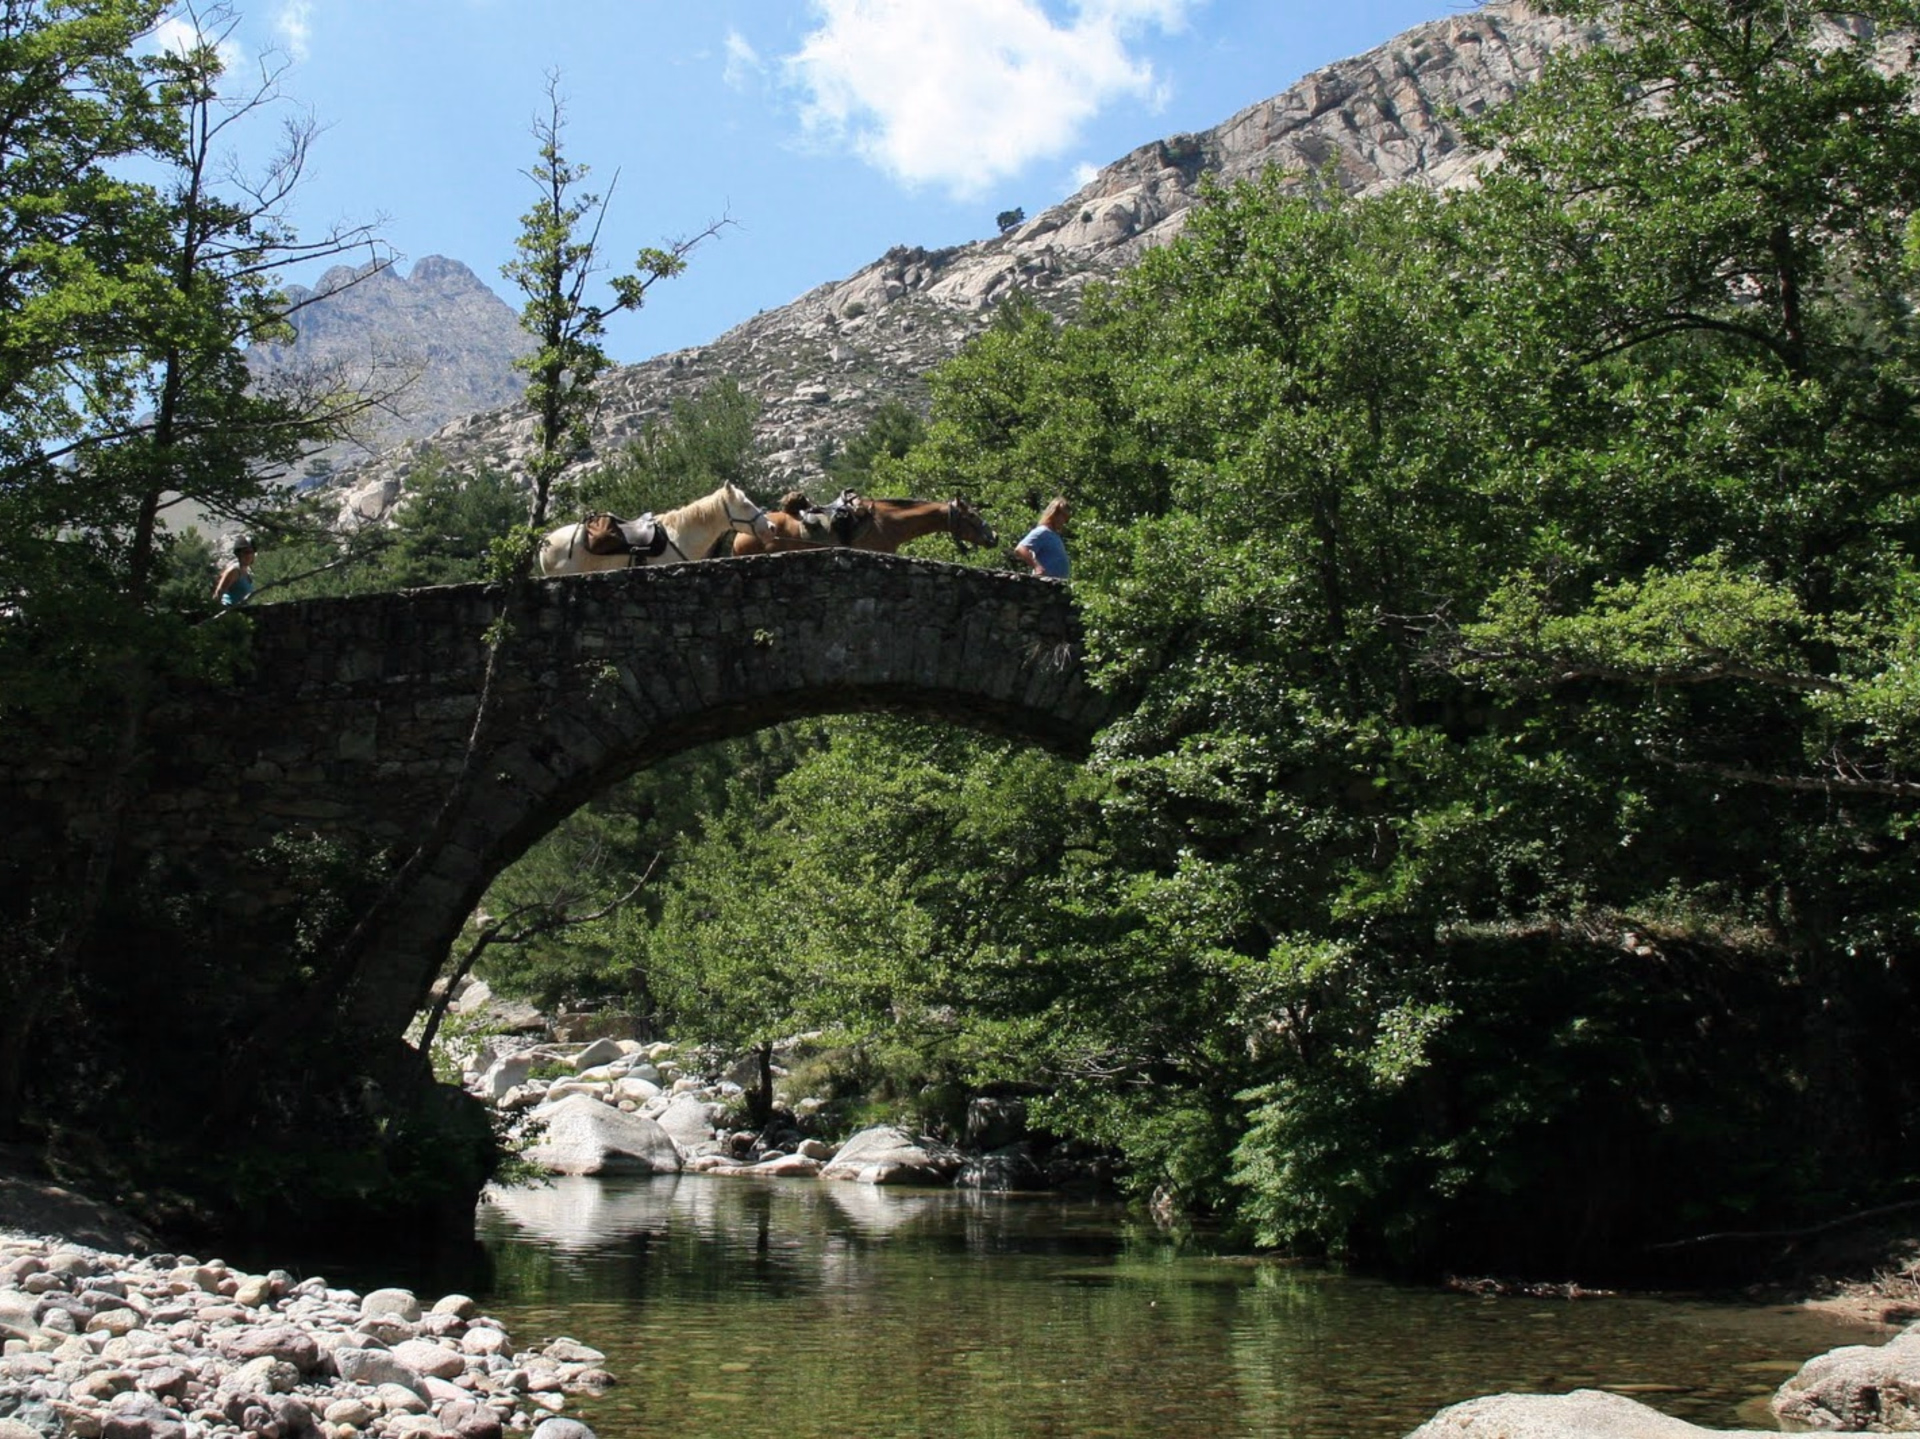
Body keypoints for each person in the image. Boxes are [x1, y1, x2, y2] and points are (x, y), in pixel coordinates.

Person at [1015, 497, 1070, 579]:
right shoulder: (1042, 531)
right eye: (1062, 516)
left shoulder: (1054, 535)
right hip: (1045, 583)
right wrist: (1037, 567)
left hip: (1057, 584)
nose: (1063, 521)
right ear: (1054, 514)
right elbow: (1020, 549)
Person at [213, 538, 257, 607]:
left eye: (252, 552)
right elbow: (218, 594)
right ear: (239, 554)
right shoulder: (234, 571)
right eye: (246, 552)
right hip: (230, 610)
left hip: (242, 610)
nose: (250, 555)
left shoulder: (248, 572)